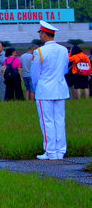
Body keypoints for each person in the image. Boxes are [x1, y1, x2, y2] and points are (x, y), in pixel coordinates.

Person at [32, 21, 69, 160]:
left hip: (45, 90)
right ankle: (60, 151)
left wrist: (37, 86)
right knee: (59, 120)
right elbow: (65, 69)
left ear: (44, 34)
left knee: (47, 121)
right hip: (60, 88)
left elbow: (35, 74)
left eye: (41, 33)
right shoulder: (64, 50)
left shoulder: (39, 51)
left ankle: (50, 151)